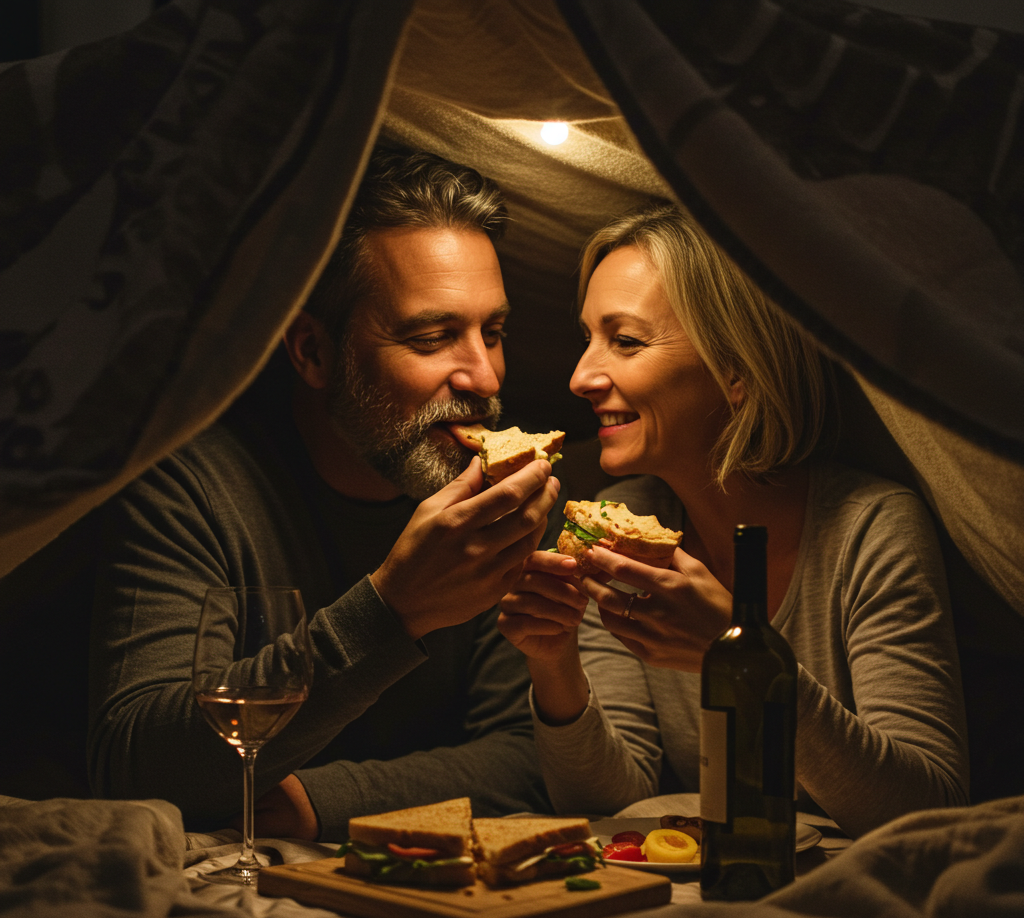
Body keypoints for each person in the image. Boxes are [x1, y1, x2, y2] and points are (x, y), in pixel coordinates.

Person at [88, 149, 561, 841]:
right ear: (311, 351)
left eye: (492, 333)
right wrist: (392, 610)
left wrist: (320, 801)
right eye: (433, 338)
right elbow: (135, 764)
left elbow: (532, 756)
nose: (485, 378)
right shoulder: (189, 487)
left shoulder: (508, 495)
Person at [498, 202, 969, 839]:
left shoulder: (869, 530)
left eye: (626, 341)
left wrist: (745, 661)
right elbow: (609, 800)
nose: (581, 377)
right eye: (588, 338)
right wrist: (554, 663)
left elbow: (930, 814)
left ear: (737, 370)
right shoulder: (615, 528)